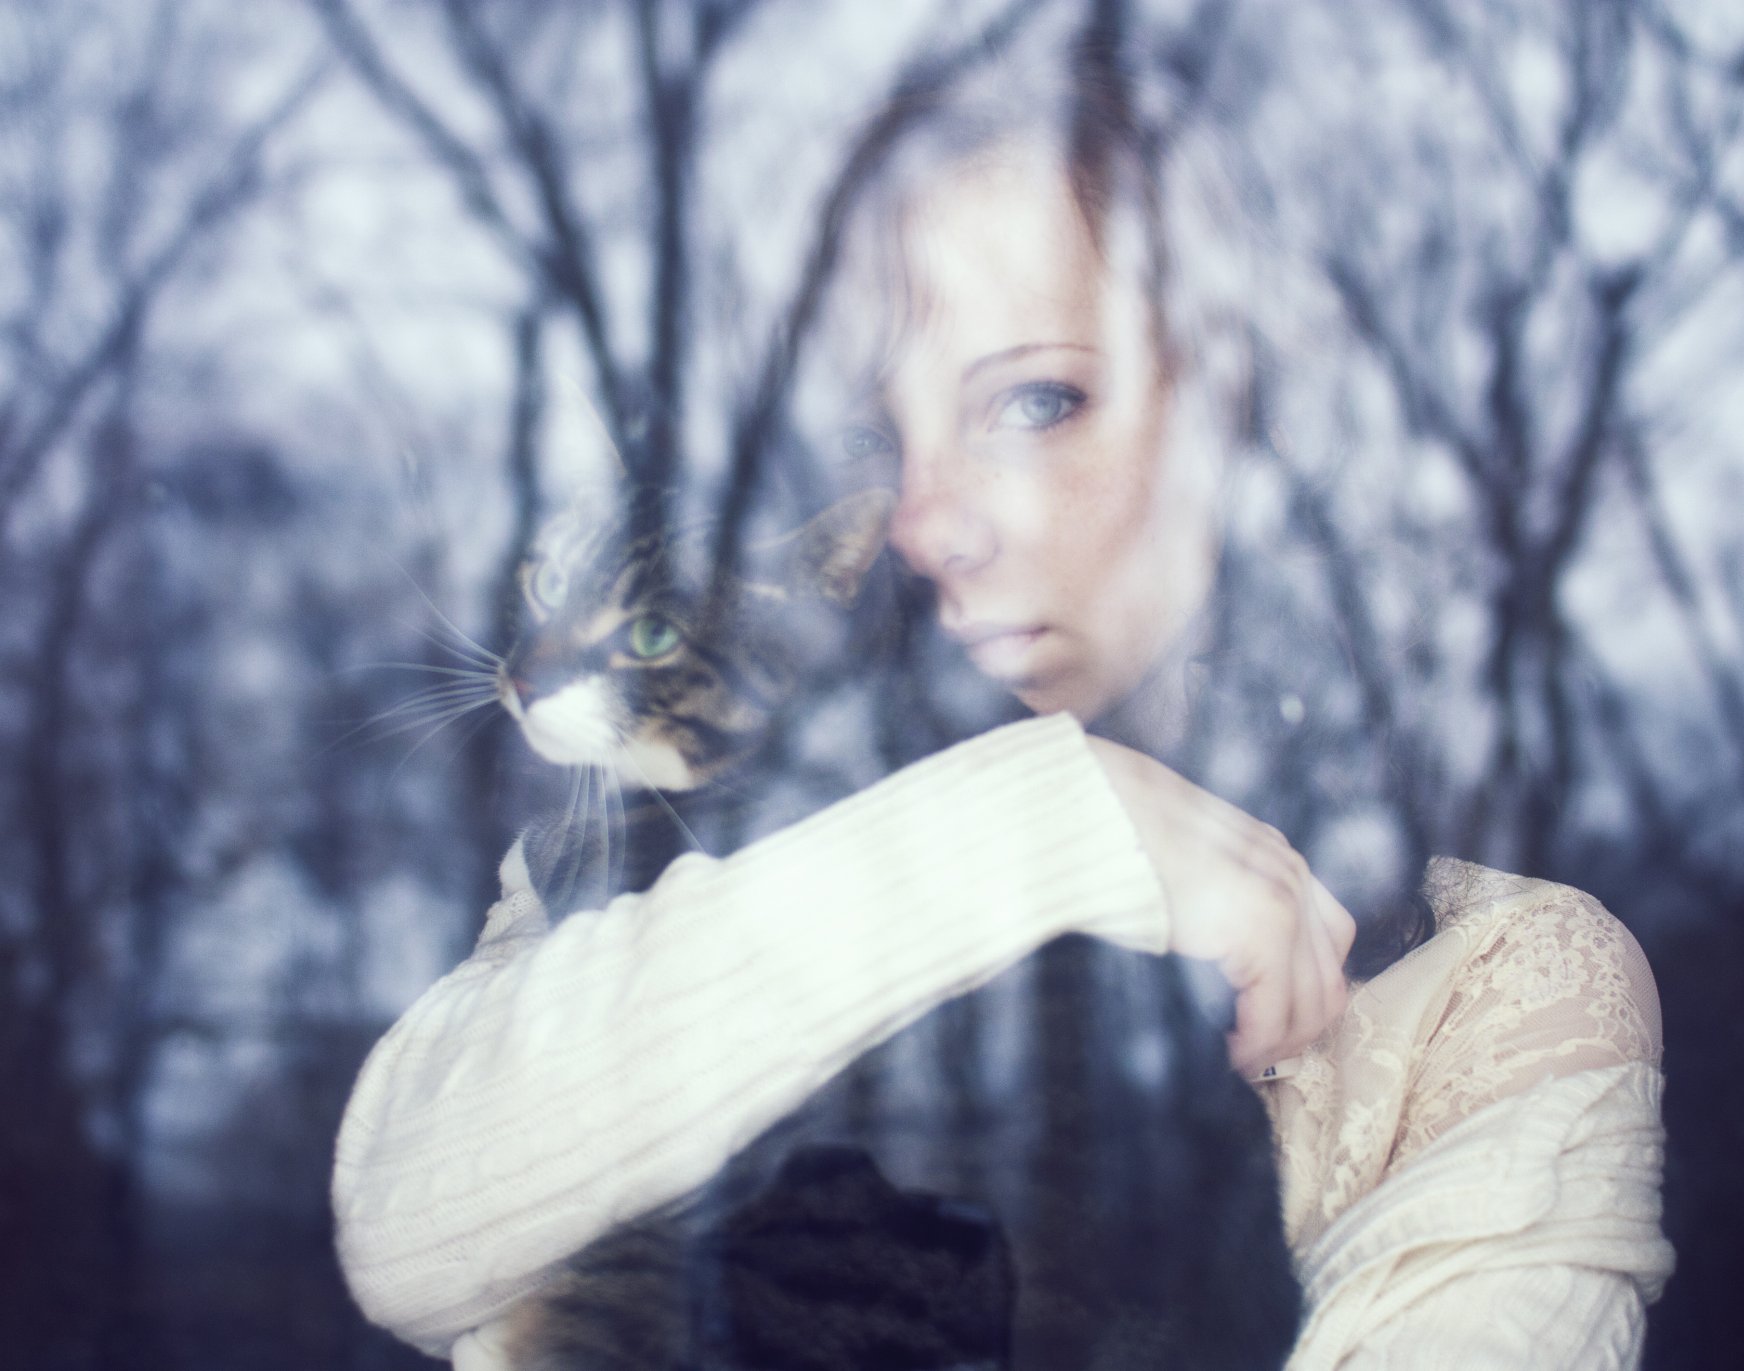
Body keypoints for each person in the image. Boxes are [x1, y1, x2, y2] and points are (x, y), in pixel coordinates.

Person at [332, 28, 1672, 1370]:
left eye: (1031, 400)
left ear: (1218, 406)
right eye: (876, 435)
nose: (922, 516)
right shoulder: (678, 832)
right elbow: (409, 1221)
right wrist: (1030, 833)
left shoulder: (1498, 965)